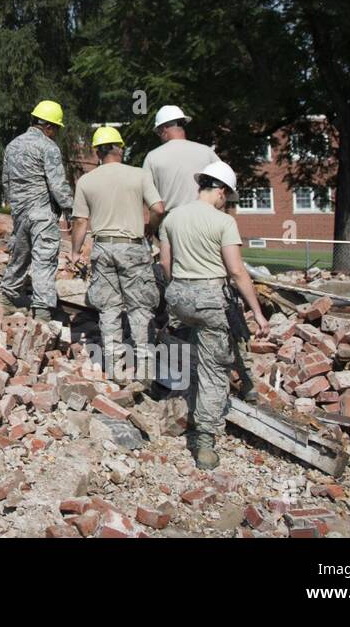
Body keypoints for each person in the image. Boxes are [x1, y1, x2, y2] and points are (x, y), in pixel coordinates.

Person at [158, 160, 269, 469]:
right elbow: (236, 271)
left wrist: (179, 291)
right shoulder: (223, 222)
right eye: (227, 196)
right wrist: (257, 313)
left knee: (198, 345)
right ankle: (204, 441)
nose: (226, 202)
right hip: (210, 298)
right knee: (212, 369)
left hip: (178, 294)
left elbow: (165, 264)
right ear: (220, 191)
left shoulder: (172, 217)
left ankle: (240, 388)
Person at [69, 126, 166, 383]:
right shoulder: (139, 175)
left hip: (102, 247)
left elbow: (80, 221)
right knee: (140, 307)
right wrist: (150, 228)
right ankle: (145, 371)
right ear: (120, 148)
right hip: (132, 246)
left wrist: (75, 251)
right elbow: (158, 208)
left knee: (109, 308)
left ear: (96, 152)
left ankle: (114, 369)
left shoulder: (86, 181)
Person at [0, 100, 73, 321]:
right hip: (42, 214)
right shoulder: (48, 147)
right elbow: (58, 185)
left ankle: (7, 299)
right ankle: (41, 312)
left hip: (20, 213)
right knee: (44, 259)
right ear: (49, 126)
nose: (55, 134)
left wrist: (16, 209)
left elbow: (6, 182)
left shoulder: (12, 145)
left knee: (20, 255)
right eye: (56, 129)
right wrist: (71, 211)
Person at [143, 105, 219, 212]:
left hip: (171, 221)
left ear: (163, 130)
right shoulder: (207, 152)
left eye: (158, 133)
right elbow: (224, 183)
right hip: (204, 218)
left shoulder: (152, 157)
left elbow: (146, 193)